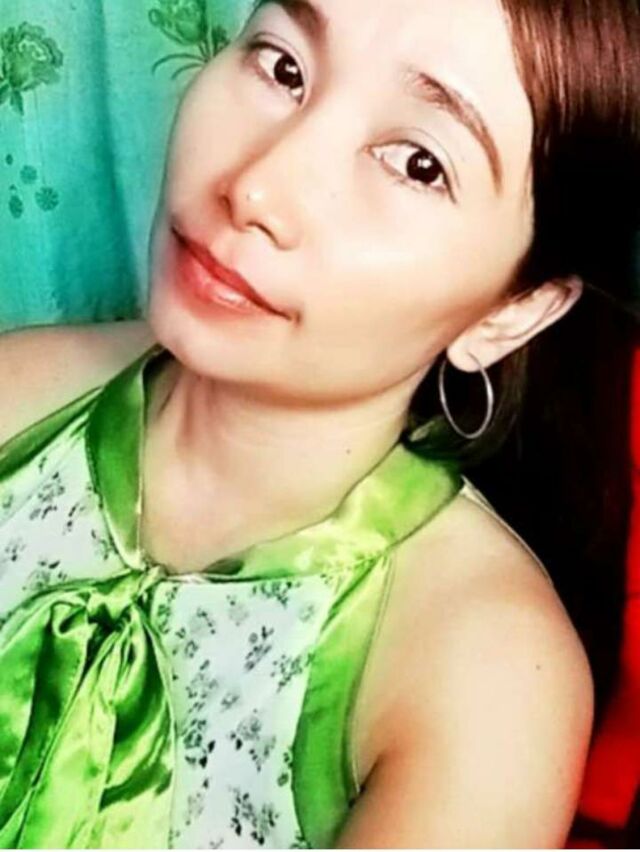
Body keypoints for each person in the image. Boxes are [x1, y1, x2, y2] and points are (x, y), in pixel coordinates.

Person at [0, 0, 638, 847]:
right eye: (283, 67)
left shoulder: (485, 676)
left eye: (416, 163)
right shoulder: (17, 393)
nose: (255, 186)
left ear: (512, 314)